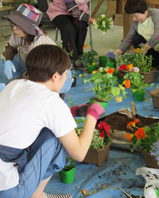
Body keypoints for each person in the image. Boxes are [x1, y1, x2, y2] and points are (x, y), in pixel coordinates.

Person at [0, 44, 105, 198]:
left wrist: (71, 112)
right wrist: (93, 115)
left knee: (48, 130)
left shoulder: (14, 85)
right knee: (56, 139)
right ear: (55, 76)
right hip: (9, 191)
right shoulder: (52, 102)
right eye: (66, 74)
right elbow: (79, 153)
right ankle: (36, 195)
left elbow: (30, 117)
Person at [0, 4, 72, 93]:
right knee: (13, 58)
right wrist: (8, 60)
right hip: (37, 67)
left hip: (59, 78)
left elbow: (36, 75)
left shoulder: (38, 44)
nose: (14, 28)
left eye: (18, 26)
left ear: (28, 28)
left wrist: (8, 86)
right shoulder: (18, 34)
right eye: (13, 24)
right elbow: (10, 48)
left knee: (32, 90)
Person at [114, 0, 159, 80]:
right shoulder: (136, 22)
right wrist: (114, 54)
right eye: (131, 17)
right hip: (158, 50)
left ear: (144, 11)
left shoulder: (157, 14)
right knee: (136, 39)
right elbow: (129, 38)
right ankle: (154, 64)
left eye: (135, 16)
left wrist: (144, 48)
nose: (134, 19)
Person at [47, 0, 96, 69]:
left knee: (81, 26)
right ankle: (71, 58)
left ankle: (79, 54)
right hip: (59, 11)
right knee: (68, 28)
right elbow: (73, 10)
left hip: (80, 10)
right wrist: (89, 19)